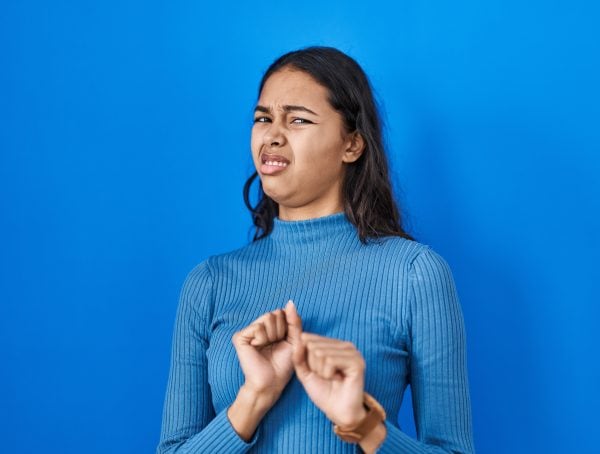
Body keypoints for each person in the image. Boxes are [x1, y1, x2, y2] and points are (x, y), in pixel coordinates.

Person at [157, 46, 475, 453]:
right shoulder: (209, 283)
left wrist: (363, 425)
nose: (272, 135)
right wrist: (254, 398)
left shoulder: (415, 274)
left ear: (352, 145)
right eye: (263, 118)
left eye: (298, 120)